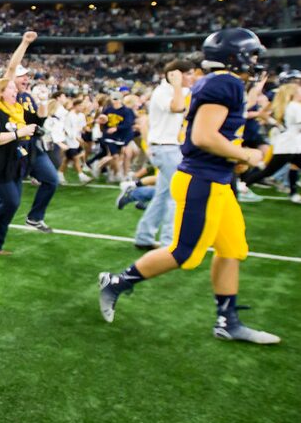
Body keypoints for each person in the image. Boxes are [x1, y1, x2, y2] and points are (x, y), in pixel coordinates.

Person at [98, 28, 280, 345]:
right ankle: (116, 281)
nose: (253, 60)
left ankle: (228, 320)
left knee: (232, 248)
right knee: (184, 253)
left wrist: (233, 157)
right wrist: (245, 154)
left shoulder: (218, 82)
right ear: (234, 54)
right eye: (250, 53)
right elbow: (204, 137)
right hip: (203, 179)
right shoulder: (226, 82)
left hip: (215, 178)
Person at [134, 59, 196, 250]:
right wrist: (177, 85)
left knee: (162, 195)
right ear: (175, 75)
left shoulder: (178, 91)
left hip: (169, 147)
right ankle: (170, 243)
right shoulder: (162, 92)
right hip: (165, 148)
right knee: (175, 196)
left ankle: (144, 237)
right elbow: (177, 107)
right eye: (189, 73)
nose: (192, 77)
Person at [8, 32, 59, 233]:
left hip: (31, 146)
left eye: (28, 76)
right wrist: (25, 43)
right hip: (12, 146)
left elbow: (36, 123)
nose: (27, 79)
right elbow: (11, 68)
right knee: (9, 198)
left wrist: (43, 107)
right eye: (23, 76)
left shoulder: (28, 96)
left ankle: (35, 217)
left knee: (51, 179)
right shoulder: (8, 92)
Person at [0, 77, 36, 255]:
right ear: (1, 92)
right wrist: (20, 132)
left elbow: (38, 119)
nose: (15, 91)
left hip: (14, 165)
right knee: (11, 202)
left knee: (9, 206)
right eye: (11, 88)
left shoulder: (17, 111)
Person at [241, 82, 301, 203]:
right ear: (294, 93)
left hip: (291, 145)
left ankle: (293, 194)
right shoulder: (294, 106)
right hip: (287, 147)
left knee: (292, 166)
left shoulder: (291, 105)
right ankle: (242, 185)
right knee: (267, 171)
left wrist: (276, 123)